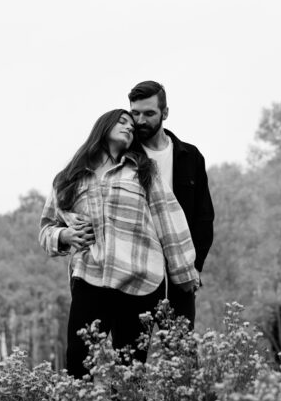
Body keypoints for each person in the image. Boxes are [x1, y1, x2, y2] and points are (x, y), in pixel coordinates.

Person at [39, 109, 200, 378]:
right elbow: (46, 228)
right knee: (78, 363)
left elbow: (169, 220)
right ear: (103, 126)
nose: (129, 127)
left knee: (130, 371)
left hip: (139, 281)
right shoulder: (68, 178)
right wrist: (64, 236)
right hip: (90, 278)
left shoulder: (143, 172)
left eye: (132, 126)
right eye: (122, 121)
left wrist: (185, 271)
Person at [128, 81, 214, 328]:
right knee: (130, 357)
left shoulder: (191, 156)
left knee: (181, 354)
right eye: (135, 113)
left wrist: (194, 267)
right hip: (135, 271)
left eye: (149, 113)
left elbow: (204, 216)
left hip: (179, 272)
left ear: (165, 113)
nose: (140, 120)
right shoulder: (124, 157)